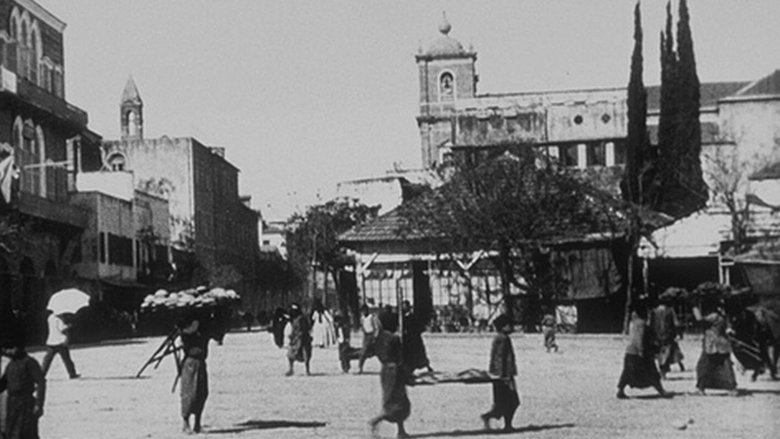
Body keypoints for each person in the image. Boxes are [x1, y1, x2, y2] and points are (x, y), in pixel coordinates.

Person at [369, 310, 411, 438]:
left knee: (393, 399)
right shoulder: (394, 339)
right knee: (398, 401)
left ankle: (401, 430)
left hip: (385, 371)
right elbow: (401, 357)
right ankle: (376, 420)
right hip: (395, 371)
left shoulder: (378, 338)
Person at [616, 304, 669, 399]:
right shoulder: (641, 324)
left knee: (628, 372)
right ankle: (661, 390)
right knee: (652, 372)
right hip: (640, 352)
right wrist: (641, 351)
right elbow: (639, 338)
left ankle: (621, 390)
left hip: (630, 351)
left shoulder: (632, 323)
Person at [1, 337, 46, 439]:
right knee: (11, 432)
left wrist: (39, 404)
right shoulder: (11, 364)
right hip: (12, 404)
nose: (7, 352)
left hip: (26, 403)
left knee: (28, 432)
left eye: (9, 349)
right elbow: (3, 383)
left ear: (17, 348)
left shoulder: (30, 362)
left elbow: (41, 382)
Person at [481, 314, 520, 431]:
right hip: (503, 376)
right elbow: (498, 358)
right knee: (511, 401)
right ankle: (497, 420)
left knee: (509, 402)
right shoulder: (501, 339)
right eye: (510, 325)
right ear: (503, 327)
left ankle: (506, 424)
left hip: (505, 375)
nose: (512, 327)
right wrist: (502, 376)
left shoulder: (503, 338)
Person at [693, 302, 738, 396]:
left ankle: (701, 389)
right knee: (727, 366)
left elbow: (699, 319)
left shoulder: (713, 316)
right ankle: (733, 388)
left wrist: (694, 306)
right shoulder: (723, 316)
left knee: (702, 366)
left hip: (712, 345)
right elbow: (728, 328)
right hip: (723, 344)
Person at [178, 313, 211, 434]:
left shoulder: (204, 331)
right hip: (190, 363)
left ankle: (197, 423)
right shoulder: (186, 332)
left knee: (201, 393)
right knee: (189, 393)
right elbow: (186, 334)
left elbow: (217, 333)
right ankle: (185, 423)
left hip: (201, 363)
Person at [650, 299, 685, 378]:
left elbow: (650, 324)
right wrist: (679, 333)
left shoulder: (653, 312)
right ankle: (664, 371)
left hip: (656, 336)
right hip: (668, 335)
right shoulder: (670, 311)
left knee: (659, 353)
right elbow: (676, 323)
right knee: (667, 352)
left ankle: (662, 370)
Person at [41, 311, 80, 379]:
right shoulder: (59, 319)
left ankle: (41, 375)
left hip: (51, 341)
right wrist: (68, 326)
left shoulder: (50, 317)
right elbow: (62, 329)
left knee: (47, 360)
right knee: (67, 360)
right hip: (60, 342)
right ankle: (72, 374)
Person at [401, 300, 433, 373]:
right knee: (414, 353)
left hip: (413, 338)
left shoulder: (411, 317)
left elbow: (417, 326)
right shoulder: (405, 317)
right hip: (411, 338)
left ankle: (423, 365)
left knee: (417, 353)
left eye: (405, 306)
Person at [285, 303, 312, 376]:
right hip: (295, 339)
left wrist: (299, 337)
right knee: (290, 354)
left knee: (305, 354)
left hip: (303, 339)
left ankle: (307, 370)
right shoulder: (294, 319)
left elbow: (303, 330)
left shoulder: (301, 319)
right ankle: (291, 369)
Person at [358, 304, 379, 374]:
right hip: (366, 336)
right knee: (363, 352)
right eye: (362, 311)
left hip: (372, 335)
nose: (363, 312)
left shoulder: (371, 317)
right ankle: (360, 368)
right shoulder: (362, 318)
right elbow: (362, 326)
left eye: (365, 311)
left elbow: (376, 327)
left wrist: (375, 336)